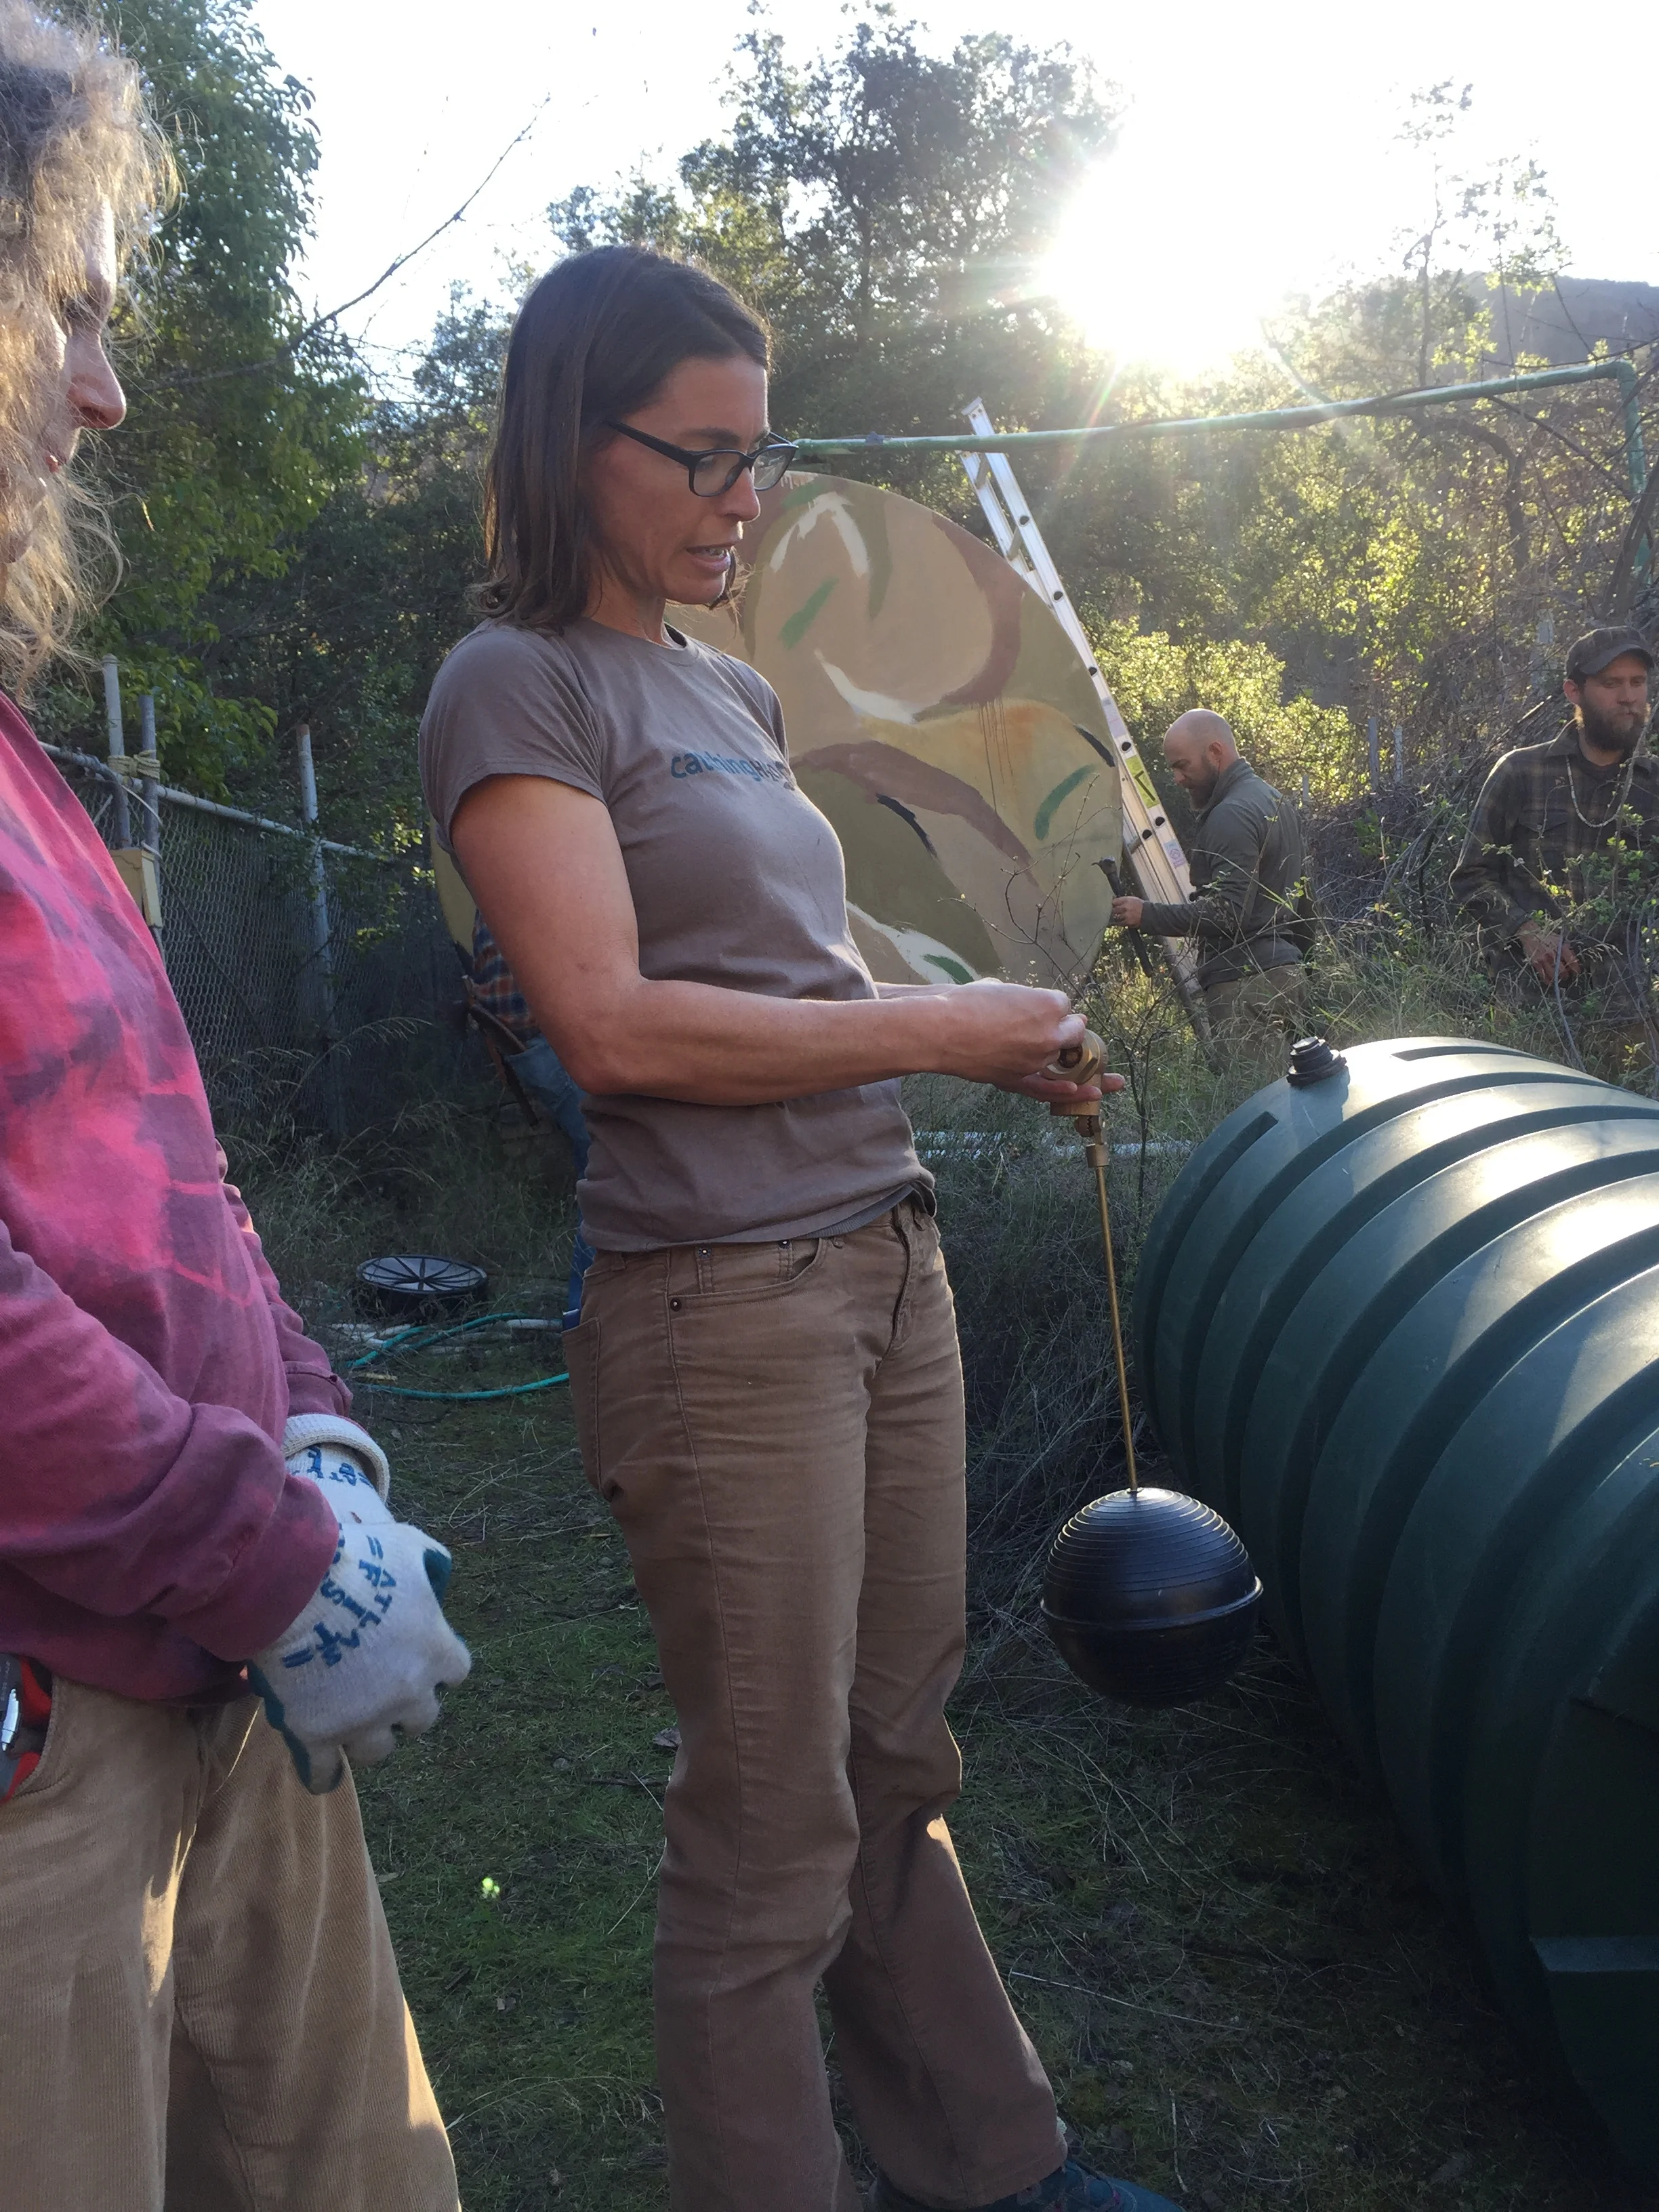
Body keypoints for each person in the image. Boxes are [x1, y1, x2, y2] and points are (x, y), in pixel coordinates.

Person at [419, 244, 1180, 2212]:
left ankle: (986, 2161)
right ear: (575, 443)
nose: (747, 499)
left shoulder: (732, 684)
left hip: (883, 1253)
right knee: (765, 1830)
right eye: (707, 457)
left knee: (892, 1762)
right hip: (720, 1304)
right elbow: (612, 1022)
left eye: (766, 457)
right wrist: (955, 1026)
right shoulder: (516, 686)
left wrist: (998, 1050)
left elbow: (799, 962)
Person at [0, 14, 468, 2205]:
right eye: (61, 311)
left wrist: (312, 1419)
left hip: (229, 1666)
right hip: (49, 1755)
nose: (106, 392)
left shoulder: (19, 768)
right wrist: (270, 1542)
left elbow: (163, 1160)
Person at [1451, 626, 1658, 987]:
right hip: (1528, 998)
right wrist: (1526, 930)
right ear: (1574, 691)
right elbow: (1471, 876)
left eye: (1637, 682)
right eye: (1611, 684)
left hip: (1629, 1002)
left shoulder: (1653, 782)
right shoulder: (1521, 771)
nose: (1628, 697)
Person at [1109, 710, 1309, 1040]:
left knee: (1258, 1091)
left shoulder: (1230, 814)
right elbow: (1304, 901)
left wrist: (1146, 914)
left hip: (1246, 989)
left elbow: (1227, 913)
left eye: (1182, 766)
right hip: (1288, 977)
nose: (1177, 779)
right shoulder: (1276, 802)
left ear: (1215, 753)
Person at [468, 912, 595, 1319]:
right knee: (617, 1173)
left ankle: (595, 1315)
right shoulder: (546, 880)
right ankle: (588, 1318)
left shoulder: (504, 876)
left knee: (603, 1174)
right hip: (553, 1045)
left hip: (541, 1049)